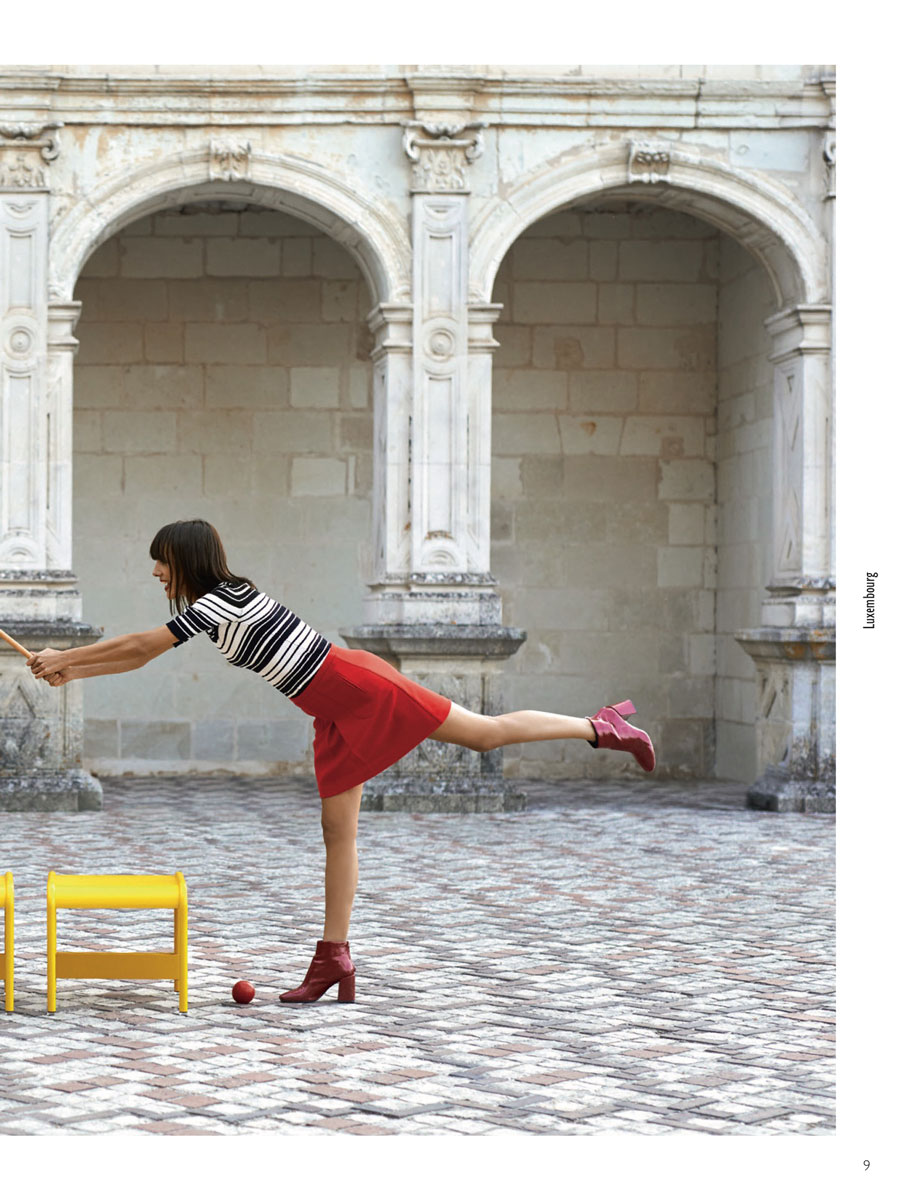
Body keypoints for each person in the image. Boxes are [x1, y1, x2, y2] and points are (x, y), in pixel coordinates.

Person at [28, 518, 655, 1005]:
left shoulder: (222, 600)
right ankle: (333, 957)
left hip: (359, 689)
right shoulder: (215, 606)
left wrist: (66, 658)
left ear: (184, 559)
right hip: (332, 708)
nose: (156, 572)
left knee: (484, 734)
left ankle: (600, 727)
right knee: (338, 833)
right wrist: (69, 668)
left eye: (161, 561)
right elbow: (139, 654)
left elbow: (142, 646)